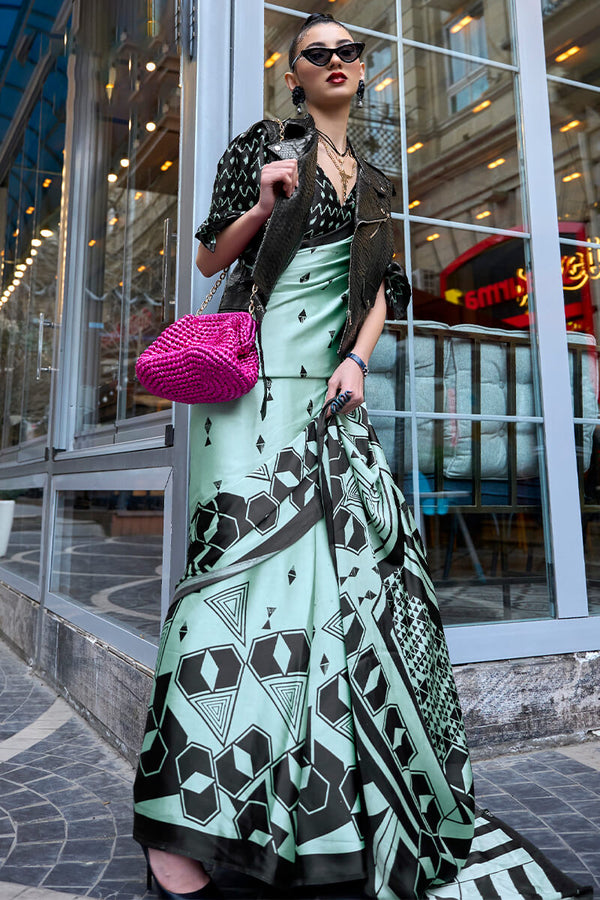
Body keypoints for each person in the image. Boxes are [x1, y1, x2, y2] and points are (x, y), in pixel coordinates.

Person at [133, 13, 475, 900]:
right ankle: (178, 827)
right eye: (314, 53)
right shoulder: (263, 147)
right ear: (295, 77)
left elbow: (385, 291)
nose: (333, 62)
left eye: (347, 52)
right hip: (250, 401)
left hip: (331, 401)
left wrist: (361, 360)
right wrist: (263, 203)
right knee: (228, 597)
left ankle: (311, 821)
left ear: (363, 71)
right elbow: (210, 255)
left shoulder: (382, 177)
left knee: (345, 600)